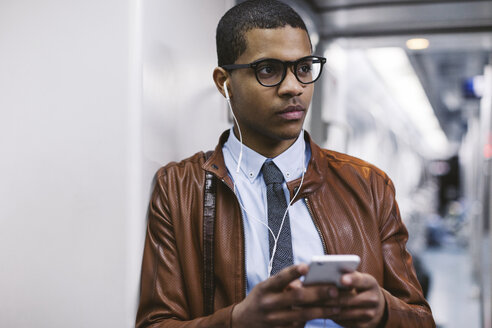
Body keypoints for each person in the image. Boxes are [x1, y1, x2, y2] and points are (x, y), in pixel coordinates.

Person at [135, 1, 435, 327]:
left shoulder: (370, 186)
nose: (293, 87)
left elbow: (420, 319)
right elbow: (156, 323)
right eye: (268, 70)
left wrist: (383, 311)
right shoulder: (179, 189)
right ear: (225, 83)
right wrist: (237, 321)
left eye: (304, 68)